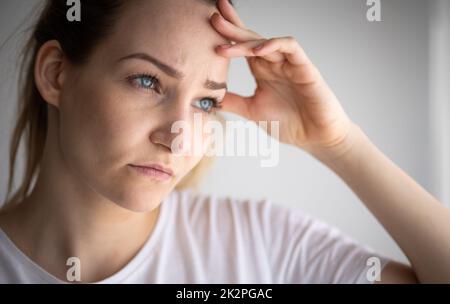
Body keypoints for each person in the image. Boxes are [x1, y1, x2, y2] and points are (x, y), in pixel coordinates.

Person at [0, 0, 448, 283]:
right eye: (146, 81)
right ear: (55, 73)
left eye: (206, 103)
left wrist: (339, 143)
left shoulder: (262, 245)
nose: (178, 138)